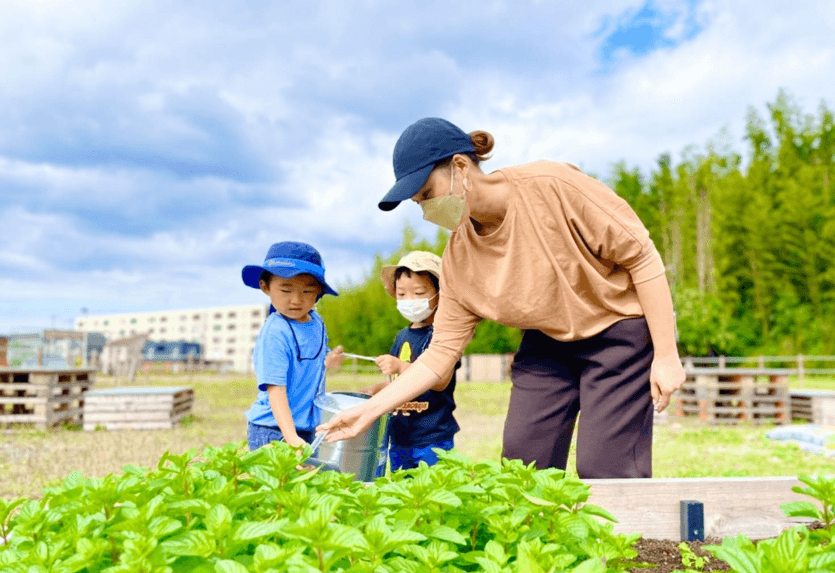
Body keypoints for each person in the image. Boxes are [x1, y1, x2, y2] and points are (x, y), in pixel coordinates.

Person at [319, 117, 686, 479]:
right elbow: (439, 356)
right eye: (419, 203)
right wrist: (369, 412)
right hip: (548, 342)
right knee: (524, 464)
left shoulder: (551, 185)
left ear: (460, 167)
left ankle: (621, 535)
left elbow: (641, 255)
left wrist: (667, 355)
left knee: (604, 468)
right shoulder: (460, 260)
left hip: (616, 330)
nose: (428, 210)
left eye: (427, 194)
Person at [360, 250, 460, 470]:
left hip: (432, 437)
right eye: (402, 294)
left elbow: (440, 379)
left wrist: (401, 366)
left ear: (440, 293)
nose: (409, 300)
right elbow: (398, 382)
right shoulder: (402, 337)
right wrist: (376, 389)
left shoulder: (445, 335)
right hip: (400, 436)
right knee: (402, 493)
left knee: (432, 492)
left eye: (419, 292)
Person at [242, 241, 344, 451]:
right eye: (286, 290)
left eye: (307, 291)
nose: (296, 300)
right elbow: (275, 389)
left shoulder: (317, 323)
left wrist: (330, 359)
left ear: (319, 292)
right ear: (265, 287)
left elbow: (317, 357)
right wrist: (291, 437)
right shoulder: (275, 333)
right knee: (277, 482)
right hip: (273, 429)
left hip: (307, 426)